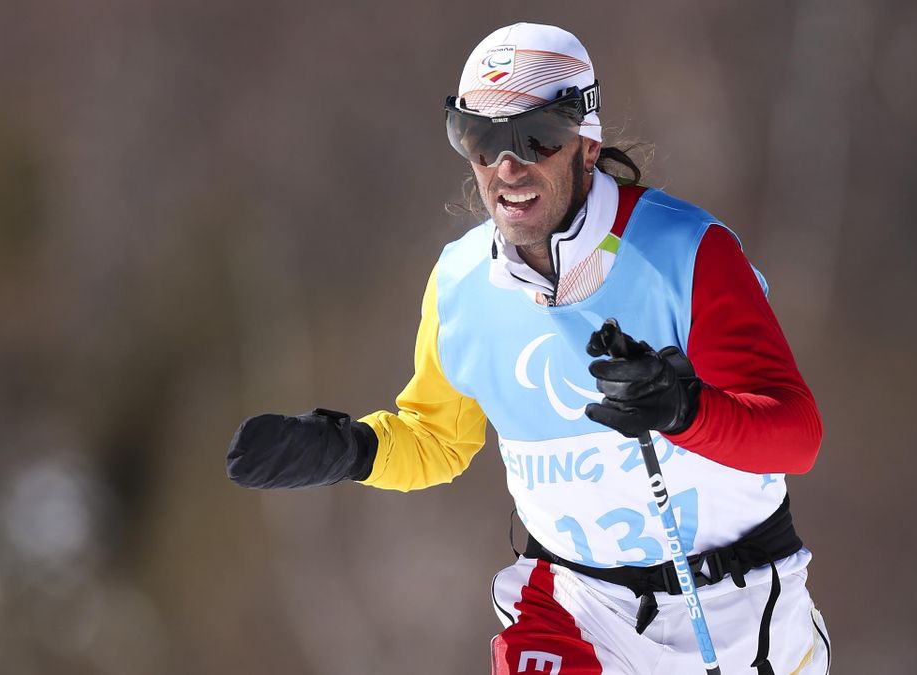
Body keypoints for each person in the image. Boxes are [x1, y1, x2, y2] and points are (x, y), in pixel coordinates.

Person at [227, 22, 831, 675]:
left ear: (587, 144)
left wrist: (685, 411)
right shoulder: (461, 283)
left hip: (736, 603)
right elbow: (436, 438)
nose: (507, 168)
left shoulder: (686, 253)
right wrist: (349, 449)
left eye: (534, 137)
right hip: (573, 604)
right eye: (480, 140)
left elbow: (796, 438)